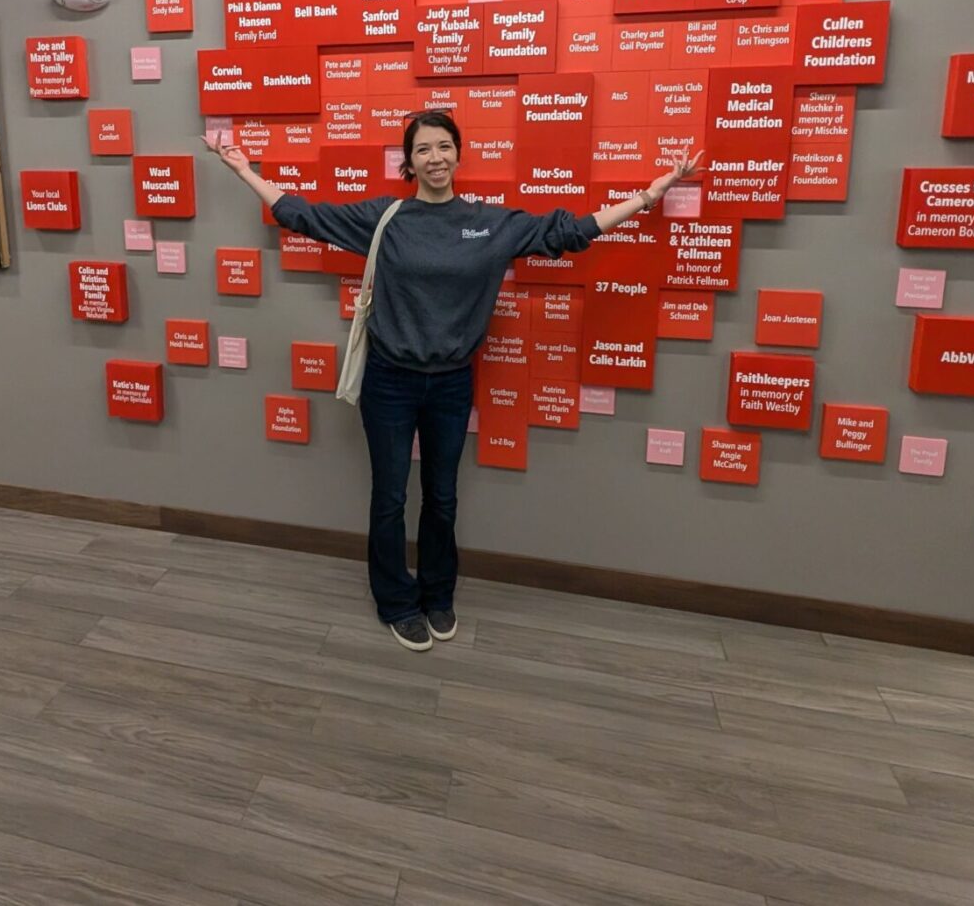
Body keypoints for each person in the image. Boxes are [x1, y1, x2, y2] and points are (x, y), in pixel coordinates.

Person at [207, 109, 701, 652]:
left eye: (444, 147)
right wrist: (242, 169)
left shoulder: (492, 224)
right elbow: (303, 215)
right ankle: (397, 602)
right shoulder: (387, 217)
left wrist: (650, 195)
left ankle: (438, 595)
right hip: (389, 381)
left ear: (459, 155)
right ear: (409, 161)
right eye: (423, 149)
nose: (435, 158)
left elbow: (573, 231)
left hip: (450, 384)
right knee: (390, 498)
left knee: (442, 497)